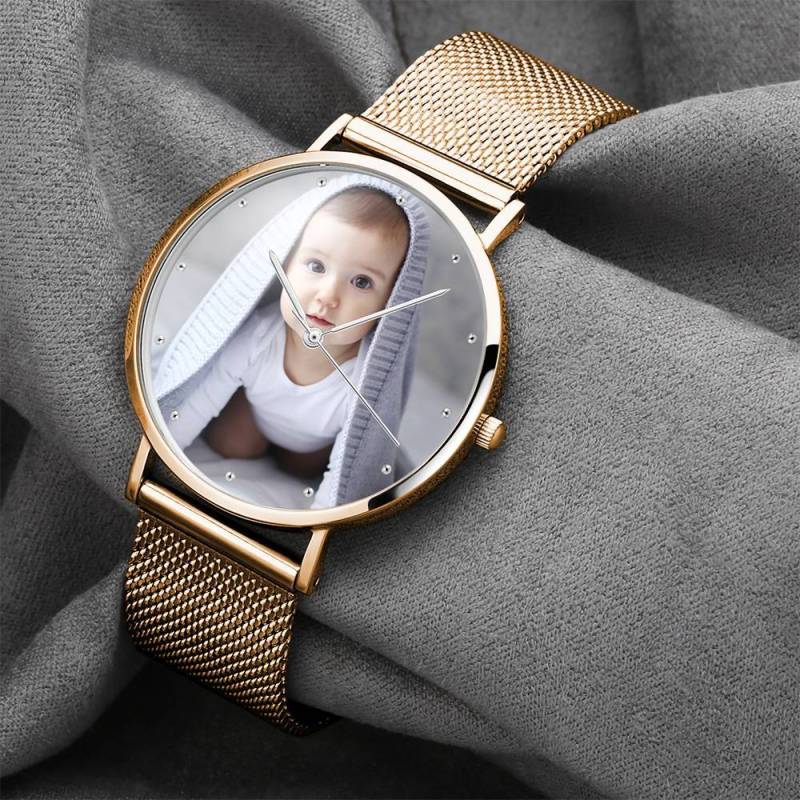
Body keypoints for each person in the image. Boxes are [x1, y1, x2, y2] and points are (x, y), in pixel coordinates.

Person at [154, 175, 430, 507]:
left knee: (302, 469)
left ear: (391, 304)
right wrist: (158, 452)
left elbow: (346, 474)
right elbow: (198, 401)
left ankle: (293, 461)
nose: (328, 296)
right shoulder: (260, 335)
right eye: (316, 265)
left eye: (361, 282)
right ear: (285, 264)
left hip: (313, 446)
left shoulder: (365, 382)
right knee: (231, 442)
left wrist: (321, 519)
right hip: (256, 416)